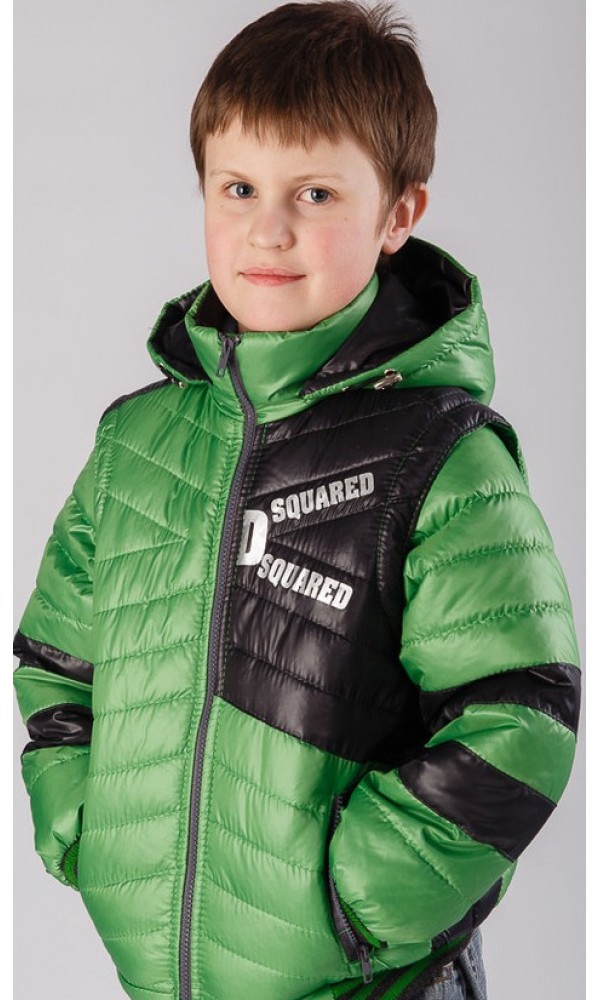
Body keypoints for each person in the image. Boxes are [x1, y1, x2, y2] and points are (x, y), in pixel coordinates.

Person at [13, 2, 581, 999]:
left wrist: (346, 910)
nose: (267, 229)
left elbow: (520, 711)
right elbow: (57, 662)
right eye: (238, 188)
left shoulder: (436, 457)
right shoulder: (133, 445)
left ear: (398, 214)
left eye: (315, 193)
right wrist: (86, 834)